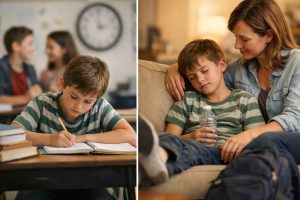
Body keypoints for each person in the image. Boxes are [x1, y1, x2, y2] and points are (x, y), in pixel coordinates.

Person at [165, 0, 300, 161]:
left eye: (244, 39)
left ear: (269, 35)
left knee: (263, 141)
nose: (236, 45)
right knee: (257, 148)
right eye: (236, 37)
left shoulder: (296, 63)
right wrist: (174, 68)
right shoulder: (238, 68)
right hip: (261, 146)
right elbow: (207, 77)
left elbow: (294, 117)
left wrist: (248, 135)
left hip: (291, 139)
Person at [139, 39, 265, 184]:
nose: (200, 79)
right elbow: (170, 137)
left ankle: (154, 165)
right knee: (169, 142)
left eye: (204, 71)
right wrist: (191, 137)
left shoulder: (244, 100)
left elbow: (256, 141)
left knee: (194, 149)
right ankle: (154, 162)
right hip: (191, 147)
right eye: (192, 77)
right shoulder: (187, 100)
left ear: (222, 65)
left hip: (226, 154)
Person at [12, 55, 136, 200]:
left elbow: (130, 134)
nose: (79, 106)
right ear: (62, 83)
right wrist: (49, 139)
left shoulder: (100, 107)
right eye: (74, 96)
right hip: (44, 181)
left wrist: (84, 138)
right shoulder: (42, 104)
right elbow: (12, 134)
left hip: (90, 183)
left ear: (97, 98)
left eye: (88, 101)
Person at [0, 26, 42, 106]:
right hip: (7, 117)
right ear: (16, 46)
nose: (33, 48)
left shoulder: (30, 69)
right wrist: (25, 98)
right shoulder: (1, 68)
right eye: (30, 44)